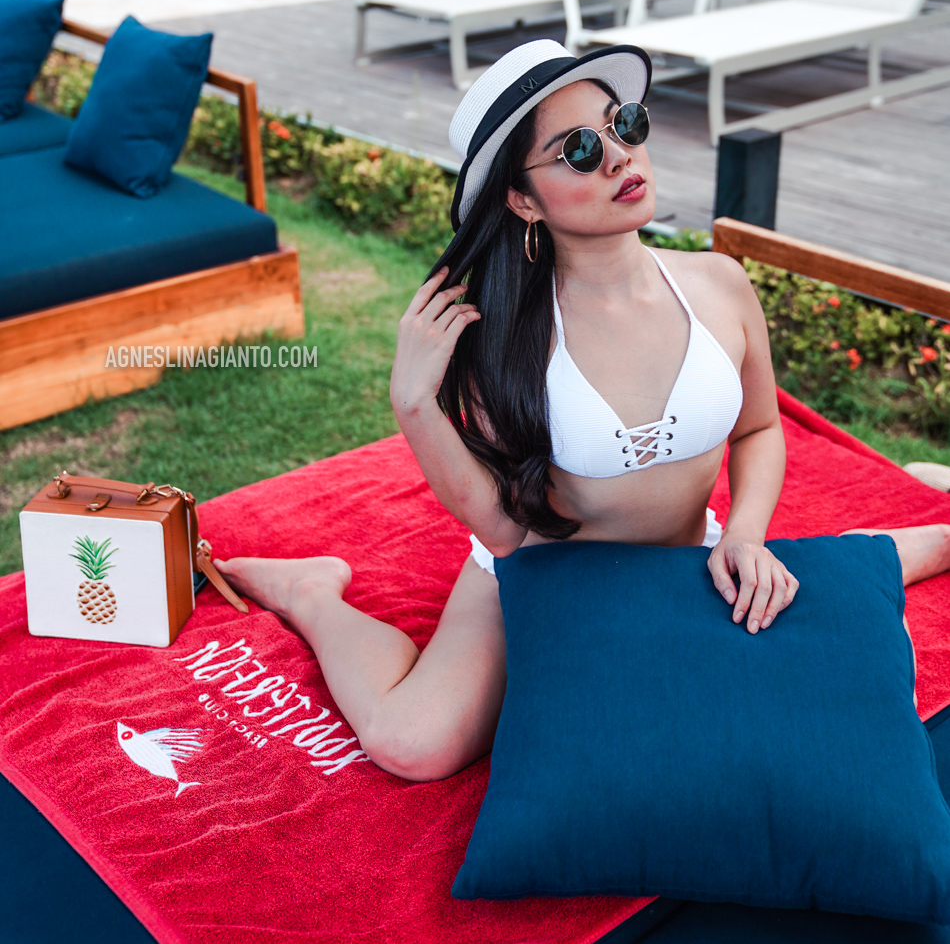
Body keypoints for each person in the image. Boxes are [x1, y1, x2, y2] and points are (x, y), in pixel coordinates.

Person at [216, 40, 950, 782]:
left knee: (813, 629)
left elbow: (759, 427)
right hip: (546, 577)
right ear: (522, 198)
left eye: (624, 123)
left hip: (690, 565)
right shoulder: (502, 344)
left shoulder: (721, 285)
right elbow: (504, 532)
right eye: (577, 149)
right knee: (414, 744)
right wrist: (414, 406)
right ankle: (312, 592)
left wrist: (749, 536)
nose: (619, 156)